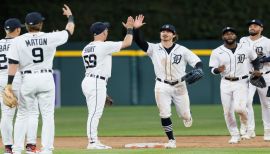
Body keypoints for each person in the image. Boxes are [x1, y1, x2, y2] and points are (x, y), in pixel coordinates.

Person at [6, 4, 75, 154]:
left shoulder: (18, 41)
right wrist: (70, 16)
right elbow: (69, 31)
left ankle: (17, 149)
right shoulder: (49, 37)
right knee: (48, 115)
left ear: (25, 26)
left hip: (27, 79)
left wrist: (9, 85)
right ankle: (47, 149)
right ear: (41, 24)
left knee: (23, 114)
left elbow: (13, 64)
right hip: (46, 78)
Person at [133, 15, 204, 148]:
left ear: (174, 35)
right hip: (161, 85)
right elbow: (139, 41)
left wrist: (199, 69)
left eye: (168, 31)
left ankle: (188, 116)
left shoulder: (182, 50)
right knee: (164, 113)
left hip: (179, 85)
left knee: (185, 115)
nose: (165, 33)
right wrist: (136, 29)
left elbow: (198, 61)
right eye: (163, 31)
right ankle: (171, 140)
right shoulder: (153, 48)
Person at [81, 17, 134, 149]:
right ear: (102, 32)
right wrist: (130, 28)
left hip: (89, 80)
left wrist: (103, 93)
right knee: (94, 113)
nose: (107, 31)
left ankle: (95, 141)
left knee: (93, 112)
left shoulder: (86, 48)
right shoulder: (104, 46)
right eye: (106, 29)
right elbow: (127, 42)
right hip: (96, 82)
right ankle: (92, 142)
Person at [209, 27, 260, 144]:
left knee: (240, 108)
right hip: (226, 82)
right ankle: (234, 135)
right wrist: (217, 70)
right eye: (226, 34)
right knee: (227, 111)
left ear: (235, 36)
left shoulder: (246, 48)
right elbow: (212, 69)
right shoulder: (217, 51)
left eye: (232, 34)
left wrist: (257, 69)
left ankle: (245, 123)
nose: (229, 36)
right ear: (223, 37)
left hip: (242, 82)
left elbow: (255, 59)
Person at [0, 18, 39, 154]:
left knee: (6, 114)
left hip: (1, 80)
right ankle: (30, 145)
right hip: (18, 77)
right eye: (19, 28)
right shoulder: (21, 42)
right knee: (31, 111)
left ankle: (8, 147)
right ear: (17, 29)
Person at [239, 19, 270, 141]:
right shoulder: (243, 40)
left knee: (267, 104)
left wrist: (262, 59)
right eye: (250, 26)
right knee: (246, 102)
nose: (252, 27)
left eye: (255, 25)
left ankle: (267, 132)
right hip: (248, 75)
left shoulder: (267, 42)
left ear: (261, 28)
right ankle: (250, 130)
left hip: (265, 75)